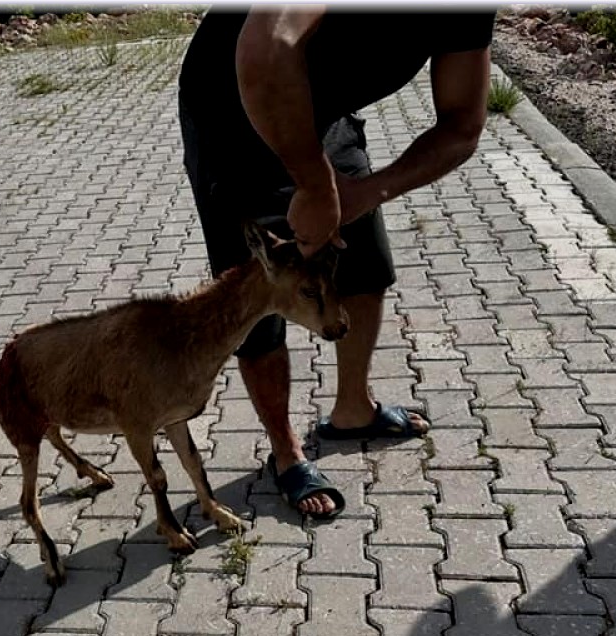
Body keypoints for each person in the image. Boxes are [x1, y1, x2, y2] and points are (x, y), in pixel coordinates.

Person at [178, 7, 496, 518]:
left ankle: (354, 410)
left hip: (320, 109)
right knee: (256, 290)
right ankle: (286, 452)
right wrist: (314, 185)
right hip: (229, 103)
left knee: (362, 262)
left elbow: (462, 126)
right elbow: (265, 51)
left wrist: (365, 193)